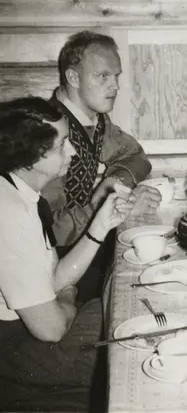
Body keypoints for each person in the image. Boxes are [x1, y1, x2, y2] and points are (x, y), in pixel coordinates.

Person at [0, 97, 131, 411]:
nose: (72, 151)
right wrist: (68, 297)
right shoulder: (9, 213)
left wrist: (100, 225)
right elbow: (52, 328)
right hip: (16, 350)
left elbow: (55, 278)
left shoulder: (21, 193)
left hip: (35, 329)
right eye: (61, 144)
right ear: (31, 156)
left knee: (118, 311)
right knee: (127, 343)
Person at [42, 31, 160, 248]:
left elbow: (135, 156)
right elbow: (50, 230)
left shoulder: (96, 120)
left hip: (86, 240)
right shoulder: (46, 134)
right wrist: (113, 208)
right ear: (73, 77)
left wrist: (114, 184)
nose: (115, 86)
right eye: (103, 76)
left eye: (116, 76)